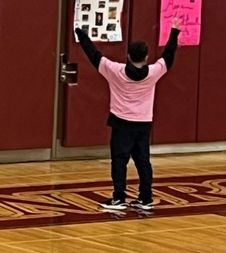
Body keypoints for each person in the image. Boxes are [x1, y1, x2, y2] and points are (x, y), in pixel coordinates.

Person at [74, 20, 180, 214]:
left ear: (129, 56)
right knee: (143, 161)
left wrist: (81, 35)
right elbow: (169, 55)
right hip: (143, 124)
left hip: (121, 123)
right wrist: (175, 32)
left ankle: (119, 197)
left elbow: (94, 55)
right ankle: (145, 198)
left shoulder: (115, 71)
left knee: (119, 161)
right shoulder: (155, 72)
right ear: (146, 57)